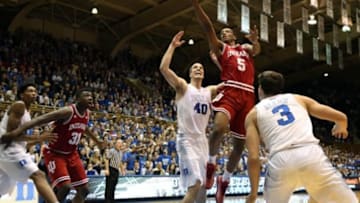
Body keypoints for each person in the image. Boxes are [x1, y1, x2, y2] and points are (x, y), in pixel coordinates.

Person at [245, 70, 358, 203]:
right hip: (310, 155)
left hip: (280, 161)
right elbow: (340, 116)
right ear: (280, 88)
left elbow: (253, 157)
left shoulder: (253, 114)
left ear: (260, 89)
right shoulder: (298, 99)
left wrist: (253, 193)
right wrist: (341, 125)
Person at [191, 0, 261, 202]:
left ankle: (225, 180)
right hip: (230, 90)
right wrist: (197, 7)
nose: (224, 34)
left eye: (227, 32)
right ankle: (211, 165)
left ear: (235, 36)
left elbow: (256, 50)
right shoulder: (222, 49)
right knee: (218, 128)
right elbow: (208, 28)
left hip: (248, 94)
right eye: (222, 34)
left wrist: (255, 41)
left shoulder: (245, 48)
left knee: (240, 146)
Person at [2, 87, 106, 203]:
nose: (90, 97)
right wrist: (16, 132)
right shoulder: (67, 111)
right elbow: (41, 119)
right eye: (86, 95)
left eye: (91, 95)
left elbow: (84, 128)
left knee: (84, 191)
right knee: (65, 187)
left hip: (72, 154)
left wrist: (97, 141)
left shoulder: (86, 113)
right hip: (55, 153)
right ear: (77, 99)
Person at [159, 30, 221, 203]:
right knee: (195, 183)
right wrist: (172, 46)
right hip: (186, 139)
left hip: (202, 141)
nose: (199, 69)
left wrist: (217, 61)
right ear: (190, 74)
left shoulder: (209, 91)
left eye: (201, 68)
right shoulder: (183, 87)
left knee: (203, 188)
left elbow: (231, 82)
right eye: (195, 68)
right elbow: (163, 69)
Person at [0, 83, 59, 203]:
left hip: (11, 150)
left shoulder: (27, 111)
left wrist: (36, 141)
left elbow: (21, 141)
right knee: (39, 175)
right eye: (30, 91)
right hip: (8, 150)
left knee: (2, 190)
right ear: (22, 94)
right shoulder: (19, 105)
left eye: (35, 91)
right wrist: (38, 139)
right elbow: (9, 136)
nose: (34, 93)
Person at [104, 138, 124, 203]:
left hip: (116, 170)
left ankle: (112, 200)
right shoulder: (111, 151)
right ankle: (107, 201)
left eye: (121, 143)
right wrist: (107, 169)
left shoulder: (121, 152)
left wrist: (122, 169)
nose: (120, 145)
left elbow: (120, 161)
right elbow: (107, 159)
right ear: (116, 144)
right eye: (119, 143)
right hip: (111, 169)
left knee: (113, 186)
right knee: (109, 187)